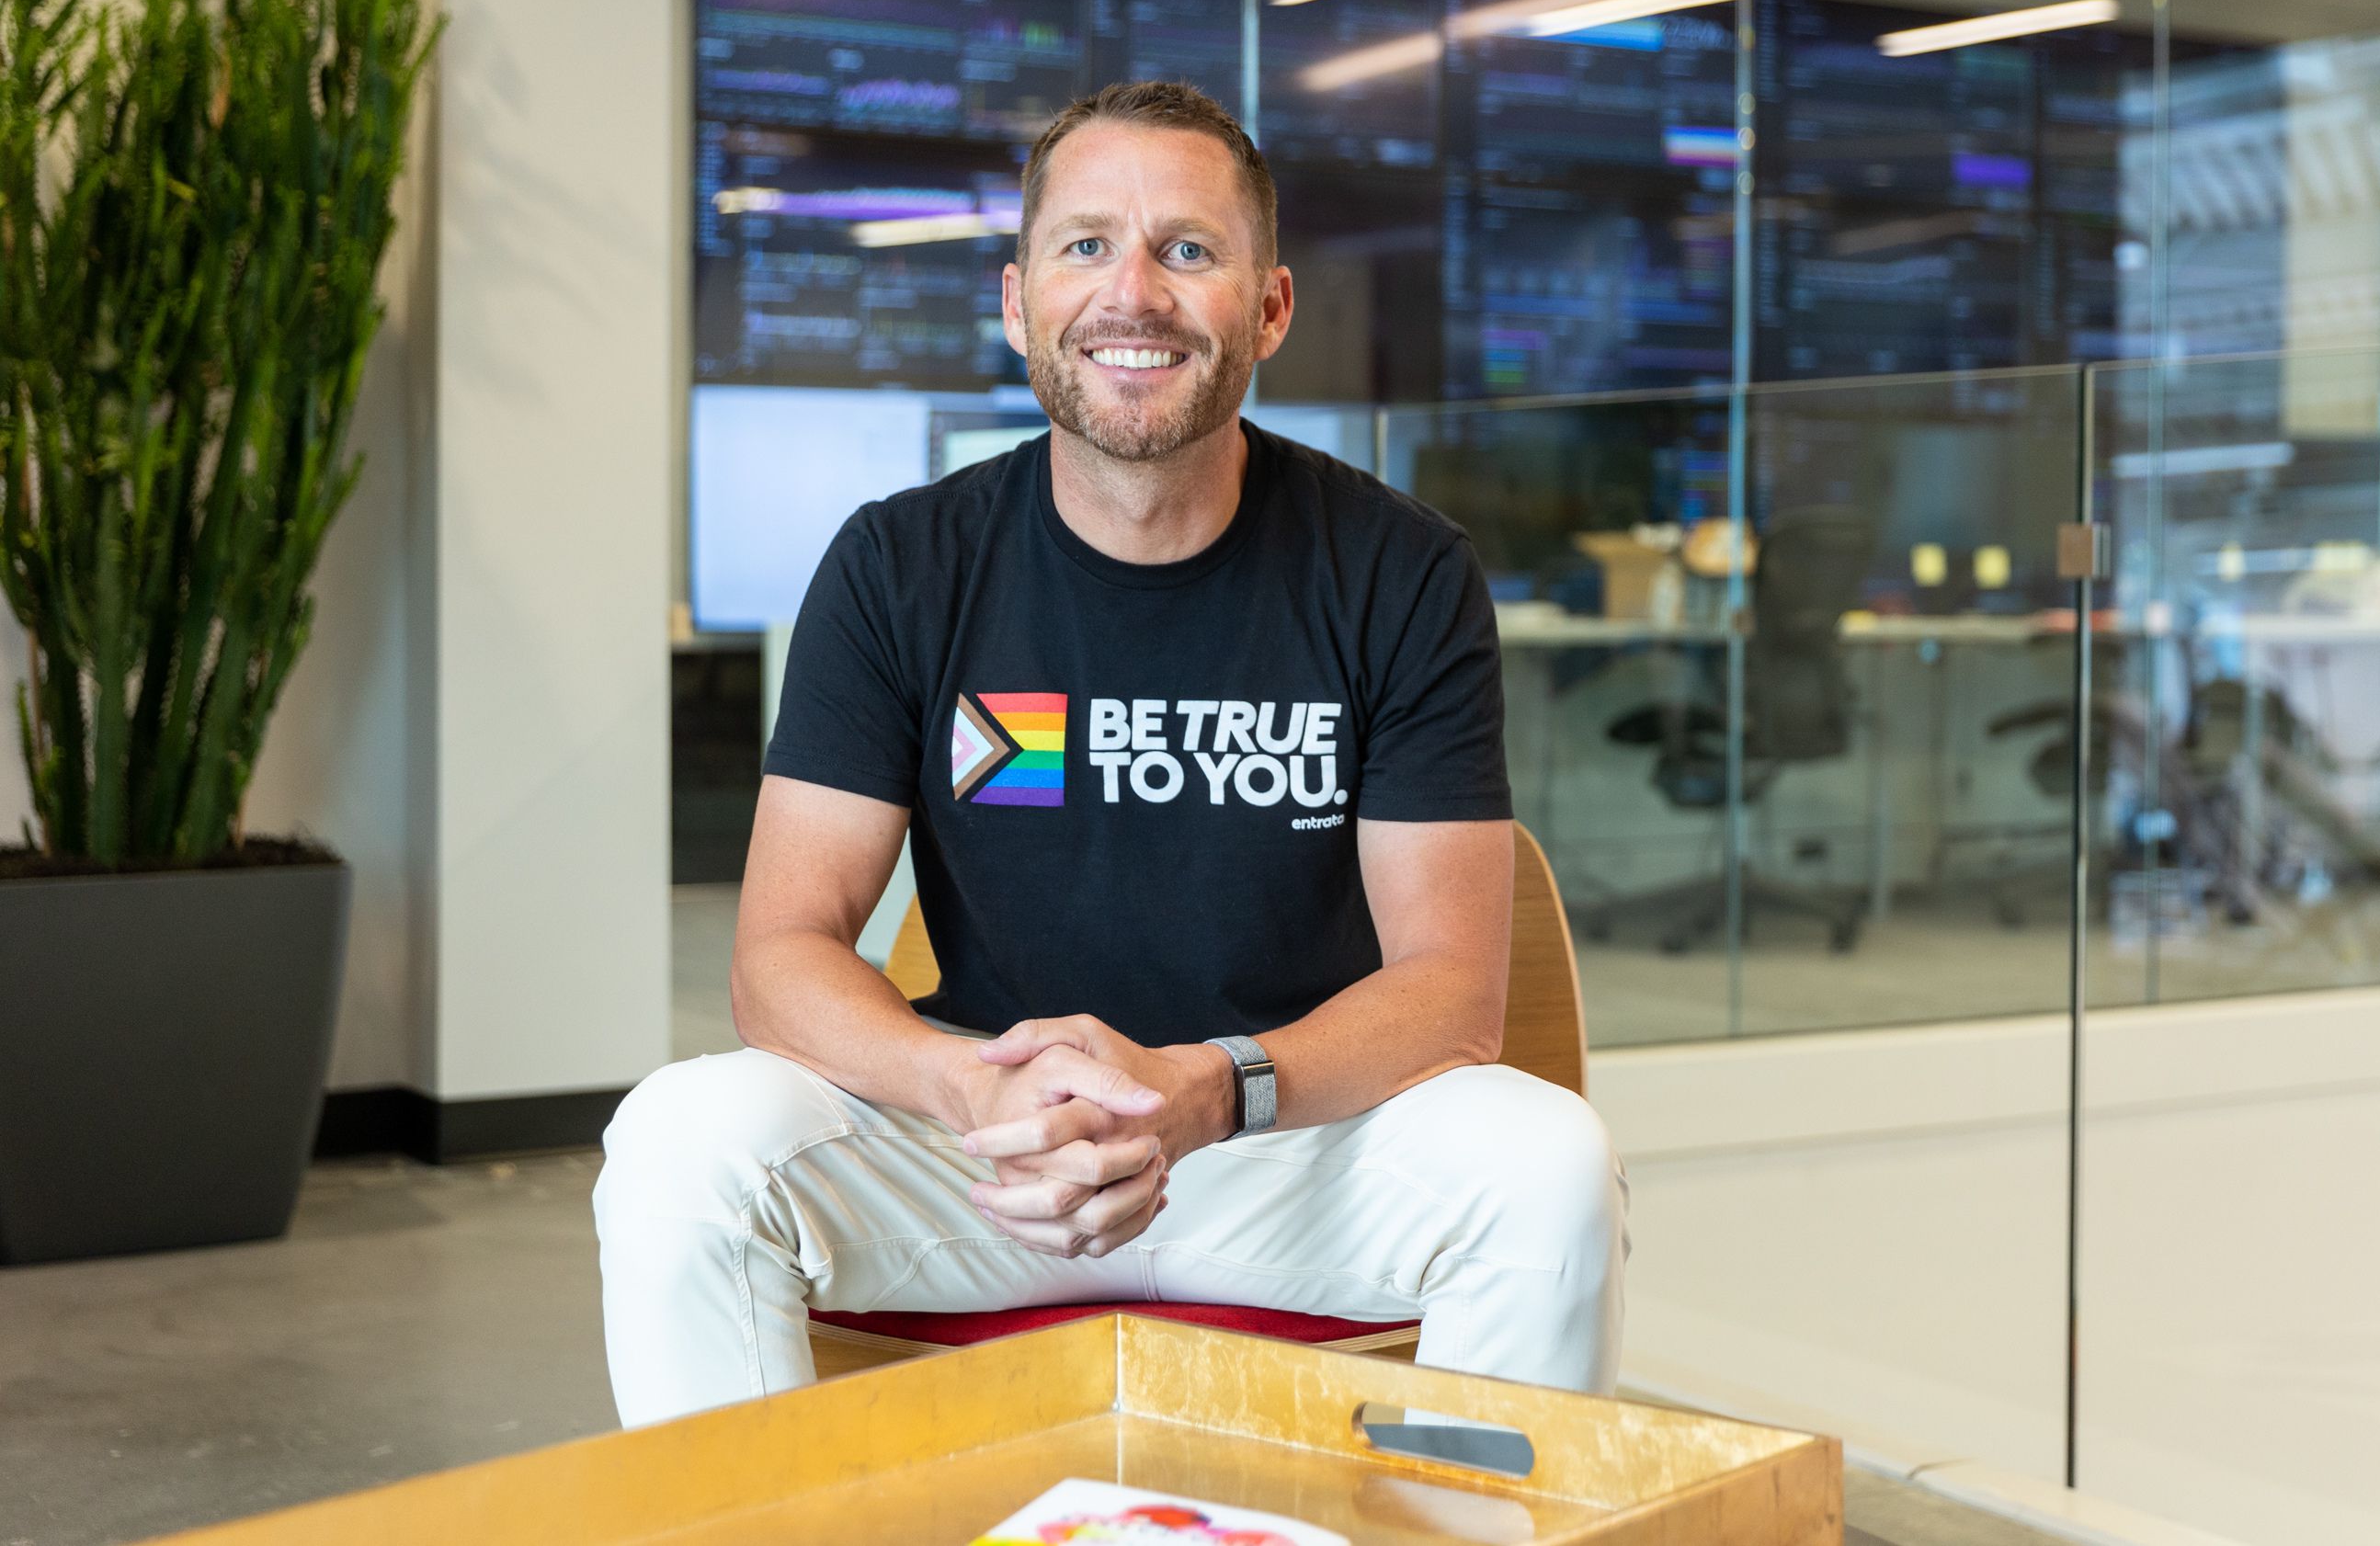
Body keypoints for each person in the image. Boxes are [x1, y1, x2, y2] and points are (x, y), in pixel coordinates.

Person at [594, 81, 1625, 1427]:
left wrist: (1210, 1087)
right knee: (681, 1140)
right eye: (1086, 245)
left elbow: (1450, 993)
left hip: (1281, 1141)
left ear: (1268, 306)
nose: (1131, 292)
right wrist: (966, 1082)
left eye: (1187, 249)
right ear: (1019, 300)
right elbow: (778, 955)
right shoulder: (901, 565)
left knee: (1549, 1162)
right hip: (987, 1156)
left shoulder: (1402, 571)